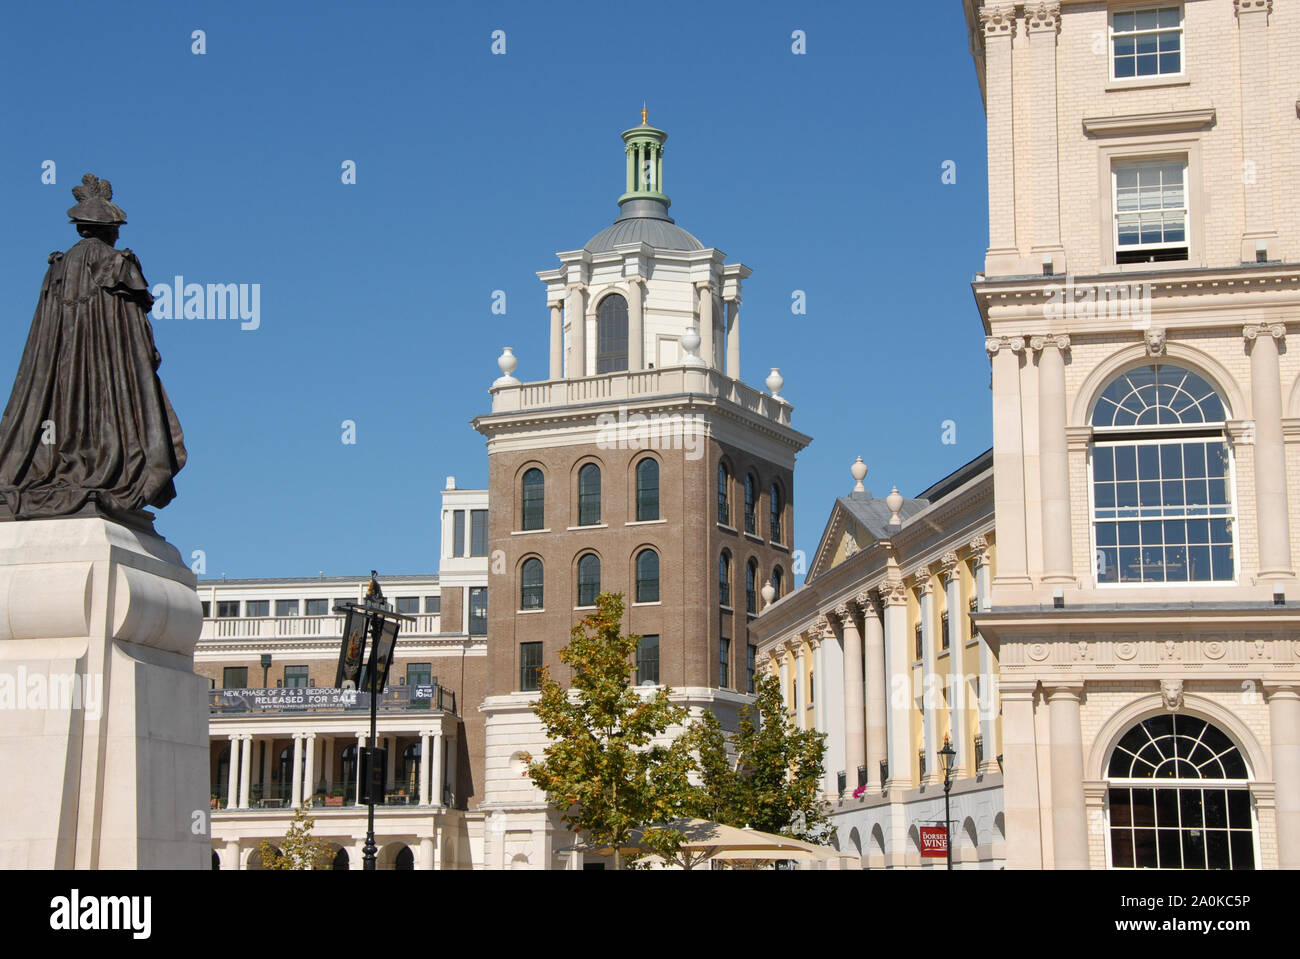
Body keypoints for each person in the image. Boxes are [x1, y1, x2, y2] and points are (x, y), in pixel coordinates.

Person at [0, 174, 186, 525]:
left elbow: (43, 331)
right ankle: (99, 469)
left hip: (57, 368)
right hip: (108, 367)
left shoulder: (58, 266)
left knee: (62, 410)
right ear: (110, 228)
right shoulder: (117, 263)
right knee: (105, 414)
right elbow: (136, 329)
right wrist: (145, 358)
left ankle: (63, 466)